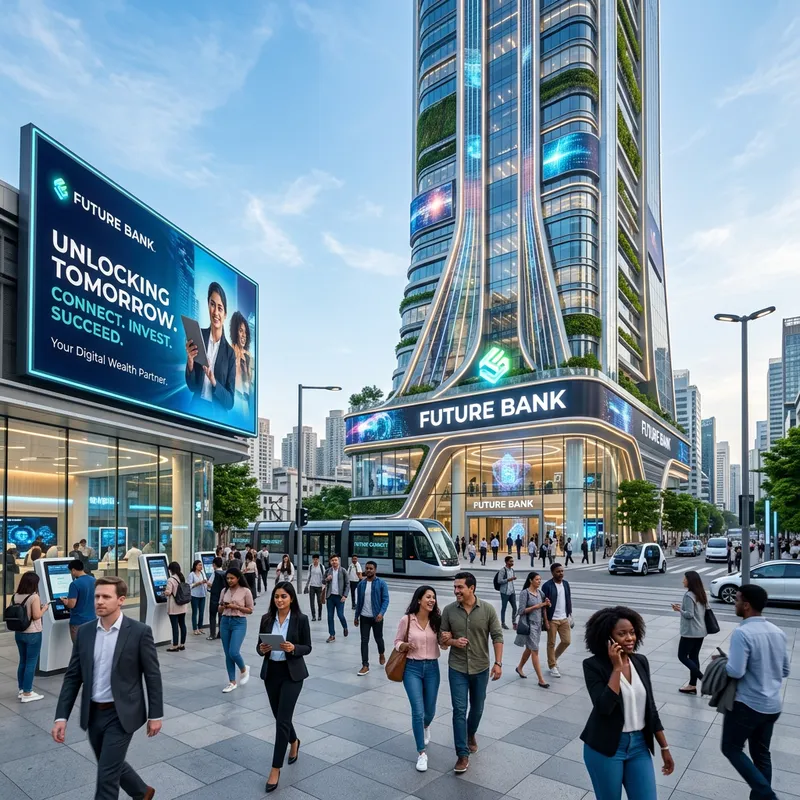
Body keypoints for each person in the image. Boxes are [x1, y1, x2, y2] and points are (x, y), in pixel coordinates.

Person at [52, 577, 162, 800]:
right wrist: (60, 717)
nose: (99, 601)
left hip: (122, 714)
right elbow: (73, 677)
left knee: (106, 777)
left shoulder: (140, 632)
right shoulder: (84, 632)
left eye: (106, 597)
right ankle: (142, 792)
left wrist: (156, 715)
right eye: (96, 597)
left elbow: (152, 675)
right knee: (109, 763)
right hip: (93, 713)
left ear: (121, 600)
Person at [580, 606, 674, 799]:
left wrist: (664, 747)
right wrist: (616, 668)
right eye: (622, 634)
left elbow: (651, 709)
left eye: (632, 632)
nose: (630, 638)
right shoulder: (593, 666)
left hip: (639, 745)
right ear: (607, 638)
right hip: (605, 747)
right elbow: (604, 707)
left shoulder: (640, 661)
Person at [720, 584, 790, 800]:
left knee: (731, 748)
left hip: (747, 705)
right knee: (761, 755)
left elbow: (736, 670)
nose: (735, 603)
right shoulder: (777, 632)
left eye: (738, 599)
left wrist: (723, 663)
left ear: (747, 605)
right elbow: (785, 669)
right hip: (772, 706)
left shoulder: (743, 632)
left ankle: (766, 795)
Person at [440, 572, 503, 774]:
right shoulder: (449, 611)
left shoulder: (487, 609)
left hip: (480, 667)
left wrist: (498, 663)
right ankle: (462, 754)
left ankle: (471, 733)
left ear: (472, 588)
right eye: (455, 587)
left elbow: (497, 636)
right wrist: (451, 641)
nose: (456, 591)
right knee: (459, 710)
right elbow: (442, 641)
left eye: (460, 587)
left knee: (477, 708)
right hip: (457, 668)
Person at [256, 581, 311, 793]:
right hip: (272, 673)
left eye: (283, 597)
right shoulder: (266, 619)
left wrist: (293, 647)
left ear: (291, 599)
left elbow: (307, 647)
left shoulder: (300, 620)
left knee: (282, 721)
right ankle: (295, 741)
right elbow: (259, 648)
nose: (279, 600)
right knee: (280, 717)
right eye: (276, 596)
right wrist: (262, 648)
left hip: (292, 675)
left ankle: (275, 768)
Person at [396, 585, 447, 773]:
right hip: (412, 669)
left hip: (432, 668)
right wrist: (403, 646)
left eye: (433, 597)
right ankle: (421, 753)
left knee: (430, 711)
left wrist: (446, 640)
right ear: (419, 600)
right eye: (428, 597)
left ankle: (426, 725)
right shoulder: (406, 620)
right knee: (417, 710)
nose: (432, 600)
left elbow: (443, 645)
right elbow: (397, 642)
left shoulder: (437, 621)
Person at [184, 281, 237, 411]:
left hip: (217, 418)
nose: (215, 312)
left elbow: (230, 402)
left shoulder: (230, 353)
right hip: (196, 409)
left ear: (225, 314)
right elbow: (192, 387)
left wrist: (214, 381)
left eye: (220, 308)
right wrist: (190, 362)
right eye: (212, 304)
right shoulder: (199, 335)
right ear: (208, 305)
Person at [13, 572, 48, 702]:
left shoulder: (16, 596)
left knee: (23, 661)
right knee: (31, 662)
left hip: (19, 632)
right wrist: (45, 608)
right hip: (33, 632)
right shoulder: (34, 597)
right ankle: (28, 693)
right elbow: (36, 615)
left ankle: (21, 689)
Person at [671, 570, 708, 694]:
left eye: (685, 579)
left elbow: (689, 615)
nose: (683, 581)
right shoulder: (701, 594)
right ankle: (692, 685)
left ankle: (703, 678)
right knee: (693, 657)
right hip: (701, 631)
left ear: (690, 581)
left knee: (682, 656)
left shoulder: (688, 595)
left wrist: (679, 610)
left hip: (691, 632)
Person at [219, 568, 254, 692]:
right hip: (225, 622)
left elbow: (250, 609)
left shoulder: (246, 591)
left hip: (239, 622)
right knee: (228, 653)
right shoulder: (224, 591)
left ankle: (244, 669)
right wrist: (223, 606)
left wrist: (237, 607)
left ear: (238, 578)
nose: (229, 580)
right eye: (227, 578)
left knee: (234, 651)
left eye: (232, 578)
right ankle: (232, 681)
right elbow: (219, 610)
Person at [514, 572, 550, 687]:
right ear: (530, 580)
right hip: (529, 625)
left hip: (538, 625)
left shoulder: (540, 593)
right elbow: (520, 611)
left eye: (540, 579)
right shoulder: (525, 593)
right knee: (535, 650)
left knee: (530, 649)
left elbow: (544, 606)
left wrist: (547, 604)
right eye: (537, 579)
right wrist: (536, 606)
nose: (539, 581)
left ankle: (519, 667)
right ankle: (541, 679)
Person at [354, 560, 390, 675]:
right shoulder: (361, 584)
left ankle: (381, 653)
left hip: (377, 617)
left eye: (371, 568)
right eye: (367, 568)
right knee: (364, 641)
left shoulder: (381, 583)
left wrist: (381, 613)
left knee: (378, 638)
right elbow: (359, 602)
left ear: (375, 570)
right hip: (364, 617)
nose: (368, 570)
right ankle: (365, 665)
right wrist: (356, 616)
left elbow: (385, 600)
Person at [542, 563, 572, 678]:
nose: (561, 573)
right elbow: (544, 605)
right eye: (558, 571)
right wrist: (546, 621)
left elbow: (568, 599)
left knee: (566, 641)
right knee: (551, 643)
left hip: (564, 618)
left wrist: (570, 614)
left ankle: (554, 657)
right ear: (552, 573)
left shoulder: (566, 584)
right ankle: (552, 665)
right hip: (552, 619)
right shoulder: (547, 586)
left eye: (562, 571)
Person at [63, 559, 96, 642]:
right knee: (89, 647)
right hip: (92, 620)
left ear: (73, 570)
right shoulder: (94, 580)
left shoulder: (75, 584)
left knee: (78, 649)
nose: (71, 574)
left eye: (70, 571)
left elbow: (72, 604)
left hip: (78, 621)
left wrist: (65, 601)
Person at [230, 310, 253, 412]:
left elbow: (250, 385)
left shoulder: (248, 357)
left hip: (245, 405)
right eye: (240, 331)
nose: (244, 335)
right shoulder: (229, 351)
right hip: (233, 403)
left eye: (245, 332)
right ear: (235, 332)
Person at [324, 554, 349, 642]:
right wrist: (327, 579)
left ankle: (345, 627)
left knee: (340, 614)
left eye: (335, 560)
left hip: (339, 597)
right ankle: (332, 635)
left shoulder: (343, 571)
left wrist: (345, 595)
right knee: (330, 616)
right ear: (330, 562)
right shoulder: (328, 571)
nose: (334, 562)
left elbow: (347, 584)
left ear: (338, 561)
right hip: (330, 597)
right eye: (332, 560)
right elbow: (322, 581)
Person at [164, 561, 188, 652]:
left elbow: (169, 592)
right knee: (182, 625)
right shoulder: (181, 577)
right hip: (182, 605)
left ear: (170, 570)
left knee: (175, 626)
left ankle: (174, 646)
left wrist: (164, 591)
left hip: (174, 606)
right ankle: (182, 644)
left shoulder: (170, 580)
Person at [207, 556, 226, 640]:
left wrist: (207, 583)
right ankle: (221, 633)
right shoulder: (225, 573)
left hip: (214, 597)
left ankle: (212, 634)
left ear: (214, 565)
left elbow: (210, 584)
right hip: (222, 598)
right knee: (221, 616)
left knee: (212, 616)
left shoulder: (215, 573)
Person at [188, 560, 209, 635]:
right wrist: (198, 583)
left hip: (202, 594)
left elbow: (206, 582)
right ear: (195, 566)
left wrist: (206, 583)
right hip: (194, 595)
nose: (201, 566)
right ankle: (194, 628)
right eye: (199, 565)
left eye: (201, 565)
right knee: (195, 612)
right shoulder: (192, 574)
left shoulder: (202, 573)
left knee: (201, 612)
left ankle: (200, 627)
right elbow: (189, 585)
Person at [497, 556, 517, 630]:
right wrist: (509, 579)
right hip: (504, 592)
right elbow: (499, 581)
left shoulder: (512, 570)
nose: (512, 563)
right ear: (506, 562)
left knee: (515, 607)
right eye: (510, 561)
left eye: (512, 561)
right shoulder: (502, 570)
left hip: (512, 591)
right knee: (504, 608)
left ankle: (514, 622)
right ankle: (503, 623)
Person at [305, 553, 325, 622]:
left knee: (319, 602)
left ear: (318, 559)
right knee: (312, 602)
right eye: (314, 559)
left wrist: (324, 586)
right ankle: (313, 616)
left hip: (319, 587)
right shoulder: (310, 566)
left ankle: (319, 615)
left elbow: (324, 576)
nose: (315, 561)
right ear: (312, 559)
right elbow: (308, 576)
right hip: (312, 586)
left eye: (316, 559)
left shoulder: (321, 567)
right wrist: (306, 585)